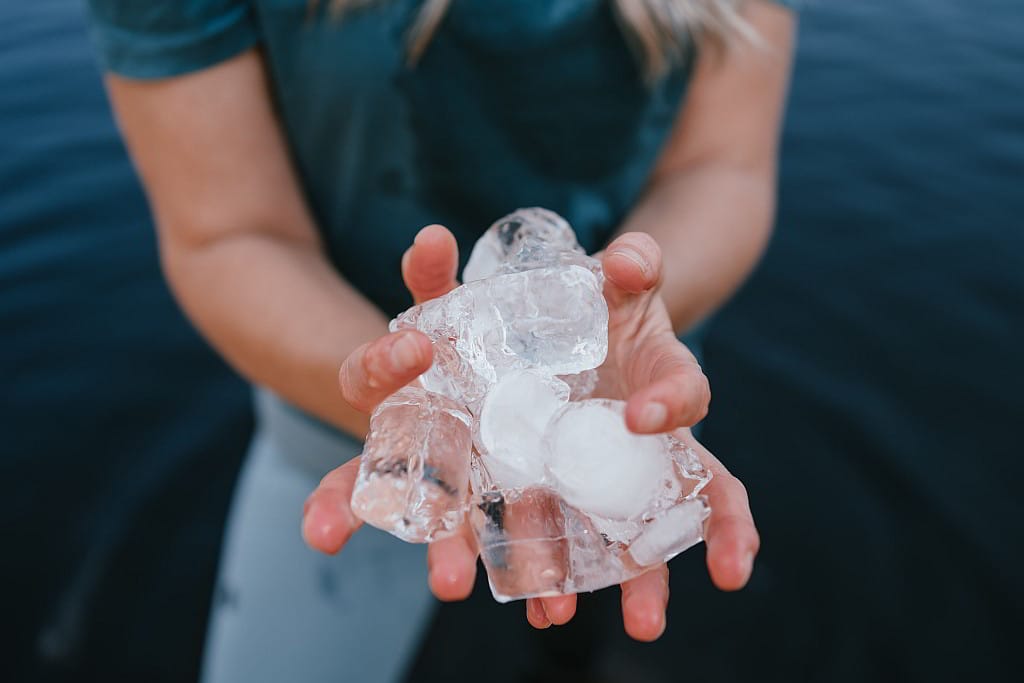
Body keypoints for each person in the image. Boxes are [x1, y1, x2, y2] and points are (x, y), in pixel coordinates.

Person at [84, 0, 797, 680]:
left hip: (628, 390)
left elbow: (723, 167)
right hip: (337, 399)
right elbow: (226, 233)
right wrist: (422, 392)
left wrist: (630, 298)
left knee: (592, 585)